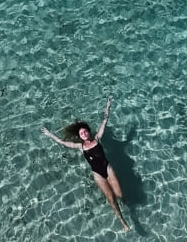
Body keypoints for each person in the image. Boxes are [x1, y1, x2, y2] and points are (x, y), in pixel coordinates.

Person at [42, 97, 129, 230]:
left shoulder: (97, 138)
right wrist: (49, 134)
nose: (84, 133)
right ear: (80, 136)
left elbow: (104, 122)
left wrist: (108, 106)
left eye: (85, 131)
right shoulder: (80, 147)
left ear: (88, 132)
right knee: (111, 199)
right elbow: (62, 142)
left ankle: (126, 204)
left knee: (120, 195)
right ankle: (123, 223)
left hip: (108, 168)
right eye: (81, 133)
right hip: (98, 175)